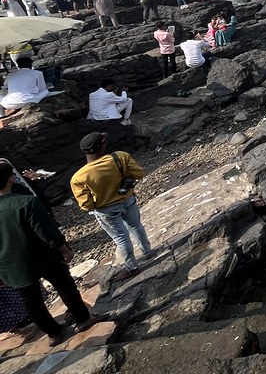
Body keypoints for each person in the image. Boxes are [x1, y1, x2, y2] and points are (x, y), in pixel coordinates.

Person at [0, 161, 101, 346]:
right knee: (64, 285)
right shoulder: (25, 202)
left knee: (30, 301)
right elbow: (47, 231)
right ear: (11, 179)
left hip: (10, 264)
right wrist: (64, 249)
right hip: (42, 256)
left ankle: (54, 333)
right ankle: (83, 319)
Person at [72, 133, 152, 278]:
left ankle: (132, 267)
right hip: (127, 200)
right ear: (102, 145)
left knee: (121, 237)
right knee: (136, 226)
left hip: (106, 210)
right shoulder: (120, 157)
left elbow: (86, 205)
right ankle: (148, 252)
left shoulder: (79, 177)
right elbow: (139, 173)